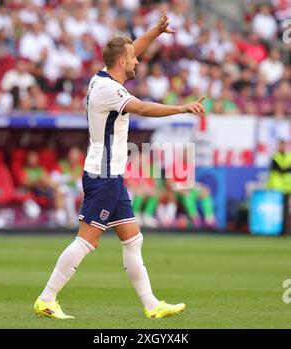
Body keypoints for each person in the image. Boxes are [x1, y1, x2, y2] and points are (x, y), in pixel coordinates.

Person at [34, 13, 206, 320]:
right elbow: (140, 107)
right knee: (88, 240)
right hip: (103, 175)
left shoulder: (102, 77)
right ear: (122, 62)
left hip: (111, 174)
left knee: (133, 238)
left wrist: (155, 31)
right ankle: (46, 298)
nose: (138, 62)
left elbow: (131, 49)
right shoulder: (110, 91)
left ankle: (151, 305)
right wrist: (181, 107)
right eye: (133, 59)